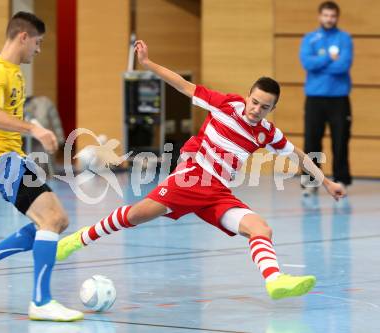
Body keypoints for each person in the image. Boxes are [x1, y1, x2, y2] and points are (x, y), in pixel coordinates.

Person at [56, 40, 346, 300]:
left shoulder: (266, 133)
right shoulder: (226, 105)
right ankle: (74, 241)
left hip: (218, 192)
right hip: (192, 179)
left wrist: (327, 182)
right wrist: (147, 63)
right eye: (254, 101)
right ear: (248, 96)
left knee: (260, 228)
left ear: (272, 109)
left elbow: (297, 155)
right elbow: (183, 85)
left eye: (264, 107)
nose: (256, 109)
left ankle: (275, 281)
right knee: (134, 215)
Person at [0, 12, 83, 321]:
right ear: (23, 37)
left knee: (56, 220)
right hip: (0, 161)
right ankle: (41, 301)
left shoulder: (14, 72)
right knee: (54, 219)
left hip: (12, 158)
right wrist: (34, 128)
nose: (39, 49)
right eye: (38, 42)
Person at [300, 1, 353, 196]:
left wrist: (320, 63)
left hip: (339, 98)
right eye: (326, 15)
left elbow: (344, 65)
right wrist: (330, 58)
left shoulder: (344, 38)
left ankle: (341, 180)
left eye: (332, 16)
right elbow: (307, 63)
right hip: (314, 97)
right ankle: (310, 181)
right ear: (319, 16)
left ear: (337, 17)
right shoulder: (310, 39)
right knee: (311, 141)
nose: (329, 19)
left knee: (340, 141)